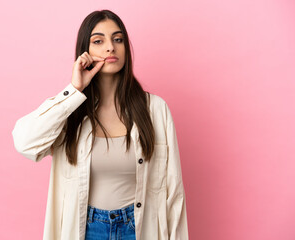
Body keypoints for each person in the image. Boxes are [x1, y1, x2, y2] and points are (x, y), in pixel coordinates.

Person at [12, 9, 189, 240]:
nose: (110, 47)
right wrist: (73, 90)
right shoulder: (70, 112)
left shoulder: (155, 110)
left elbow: (174, 194)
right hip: (86, 229)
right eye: (99, 41)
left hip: (138, 230)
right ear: (84, 51)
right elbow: (25, 143)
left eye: (118, 39)